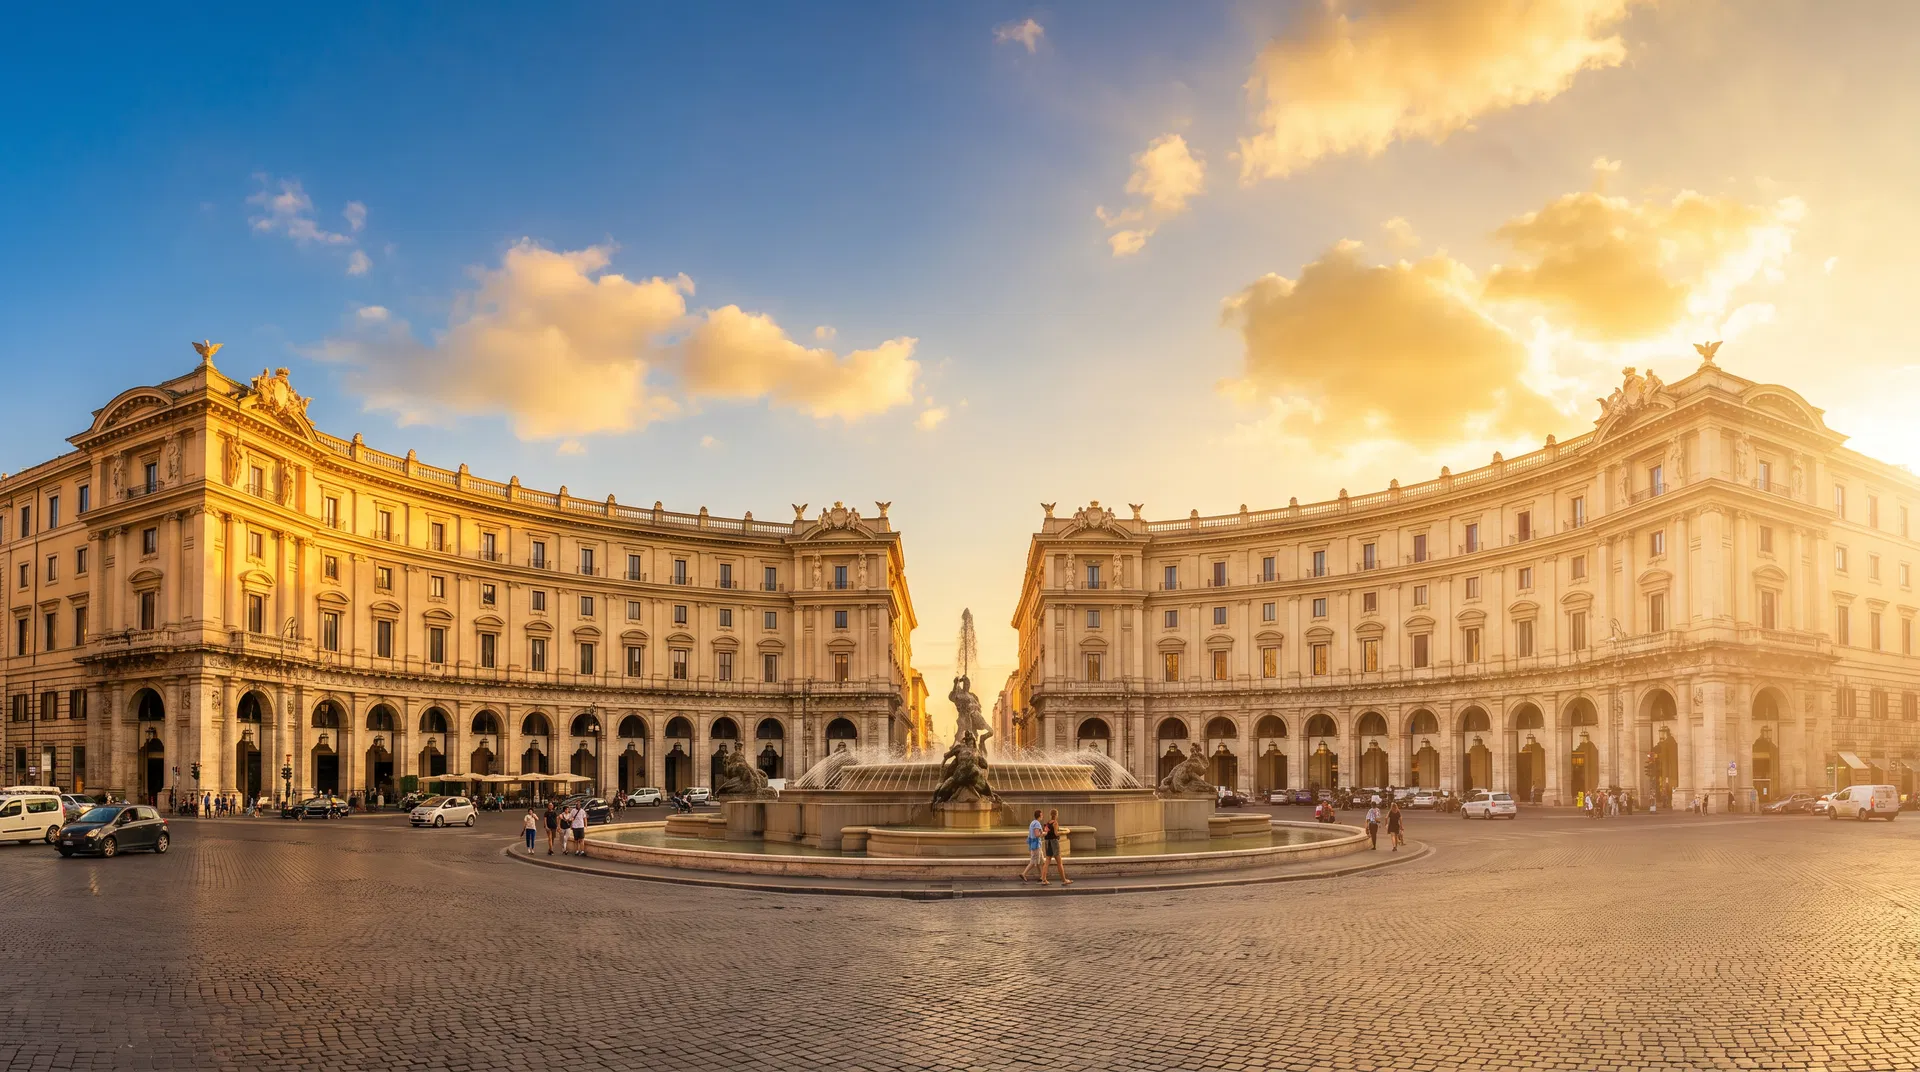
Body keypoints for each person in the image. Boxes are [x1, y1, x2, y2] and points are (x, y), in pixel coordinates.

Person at [1041, 809, 1071, 886]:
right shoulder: (1055, 823)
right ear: (1056, 815)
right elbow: (1056, 833)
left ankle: (1044, 879)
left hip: (1047, 842)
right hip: (1054, 842)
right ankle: (1064, 880)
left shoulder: (1047, 823)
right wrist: (1065, 831)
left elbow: (1046, 832)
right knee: (1059, 862)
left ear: (1050, 815)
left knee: (1047, 861)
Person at [1021, 809, 1045, 884]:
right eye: (1042, 815)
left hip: (1034, 845)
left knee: (1041, 861)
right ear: (1039, 816)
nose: (1042, 816)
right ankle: (1023, 874)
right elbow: (1037, 835)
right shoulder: (1037, 824)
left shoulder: (1032, 822)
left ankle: (1042, 877)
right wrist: (1044, 834)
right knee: (1034, 861)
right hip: (1036, 846)